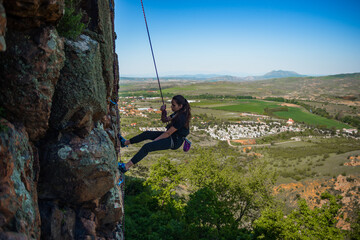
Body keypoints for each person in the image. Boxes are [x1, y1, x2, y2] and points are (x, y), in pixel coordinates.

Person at [117, 95, 191, 173]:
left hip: (175, 141)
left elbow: (168, 133)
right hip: (172, 136)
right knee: (147, 134)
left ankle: (126, 167)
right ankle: (125, 142)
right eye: (171, 104)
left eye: (173, 105)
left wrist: (156, 140)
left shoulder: (181, 118)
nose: (171, 106)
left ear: (180, 106)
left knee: (147, 147)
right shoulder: (177, 113)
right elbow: (164, 120)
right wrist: (163, 111)